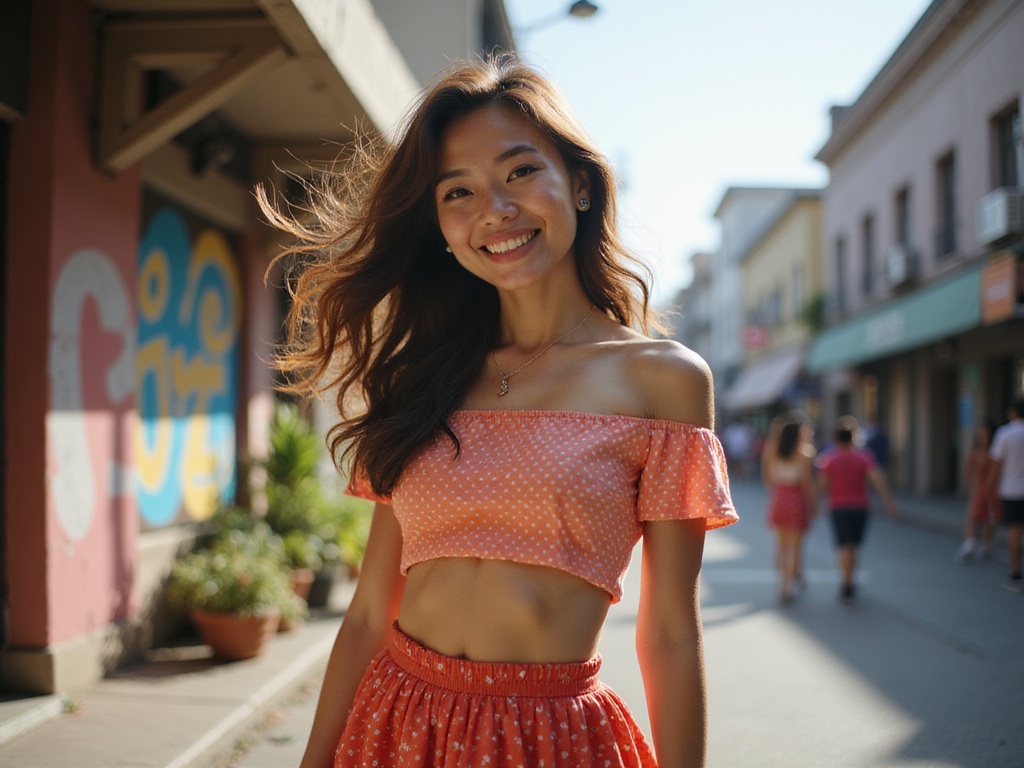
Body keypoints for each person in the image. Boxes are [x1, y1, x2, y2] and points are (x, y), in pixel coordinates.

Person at [258, 56, 738, 768]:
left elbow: (670, 631)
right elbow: (366, 614)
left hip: (548, 739)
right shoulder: (423, 376)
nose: (495, 210)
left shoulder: (662, 381)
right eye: (459, 191)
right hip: (395, 722)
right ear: (441, 226)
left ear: (578, 184)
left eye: (519, 172)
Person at [817, 416, 897, 603]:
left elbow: (821, 484)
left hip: (838, 506)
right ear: (853, 437)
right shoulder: (864, 457)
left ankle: (845, 581)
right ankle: (850, 580)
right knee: (854, 545)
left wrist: (815, 504)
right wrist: (888, 502)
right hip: (860, 506)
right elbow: (878, 479)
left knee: (843, 545)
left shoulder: (830, 459)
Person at [761, 412, 817, 603]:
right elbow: (807, 484)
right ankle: (790, 582)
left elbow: (767, 477)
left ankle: (782, 583)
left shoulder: (772, 450)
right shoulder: (805, 453)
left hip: (779, 497)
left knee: (781, 545)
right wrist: (814, 505)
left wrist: (775, 493)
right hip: (796, 498)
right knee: (795, 546)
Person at [988, 397, 1024, 593]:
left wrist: (989, 485)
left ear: (1012, 412)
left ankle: (1016, 572)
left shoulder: (1005, 433)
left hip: (1011, 489)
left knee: (1014, 531)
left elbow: (996, 463)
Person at [954, 420, 1001, 562]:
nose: (983, 435)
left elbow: (997, 470)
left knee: (990, 519)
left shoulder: (995, 451)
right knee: (974, 517)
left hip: (992, 489)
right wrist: (966, 484)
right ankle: (970, 544)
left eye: (985, 432)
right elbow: (968, 469)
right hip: (979, 488)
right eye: (981, 432)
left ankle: (986, 546)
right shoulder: (975, 451)